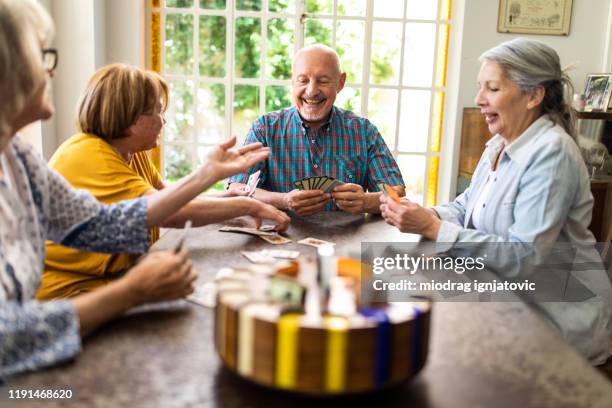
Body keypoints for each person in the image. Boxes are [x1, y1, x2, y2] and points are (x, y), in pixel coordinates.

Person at [0, 0, 270, 378]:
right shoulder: (83, 152)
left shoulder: (18, 157)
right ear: (10, 70)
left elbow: (102, 224)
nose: (52, 68)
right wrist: (131, 292)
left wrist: (208, 175)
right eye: (41, 54)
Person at [380, 38, 612, 365]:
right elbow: (465, 207)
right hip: (511, 302)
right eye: (480, 88)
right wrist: (424, 214)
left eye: (492, 89)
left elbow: (524, 255)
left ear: (533, 95)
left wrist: (435, 228)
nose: (479, 100)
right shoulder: (499, 143)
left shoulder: (551, 153)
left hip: (559, 320)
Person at [37, 64, 290, 300]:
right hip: (71, 295)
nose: (163, 121)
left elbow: (170, 196)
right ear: (133, 119)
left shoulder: (129, 152)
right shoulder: (90, 154)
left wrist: (236, 199)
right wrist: (247, 207)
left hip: (109, 283)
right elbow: (171, 214)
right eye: (158, 111)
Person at [228, 45, 405, 216]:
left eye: (323, 81)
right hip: (279, 238)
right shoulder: (265, 128)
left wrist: (366, 201)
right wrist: (284, 200)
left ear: (340, 83)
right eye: (303, 80)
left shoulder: (364, 132)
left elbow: (396, 193)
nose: (312, 91)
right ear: (292, 80)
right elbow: (236, 188)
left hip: (346, 240)